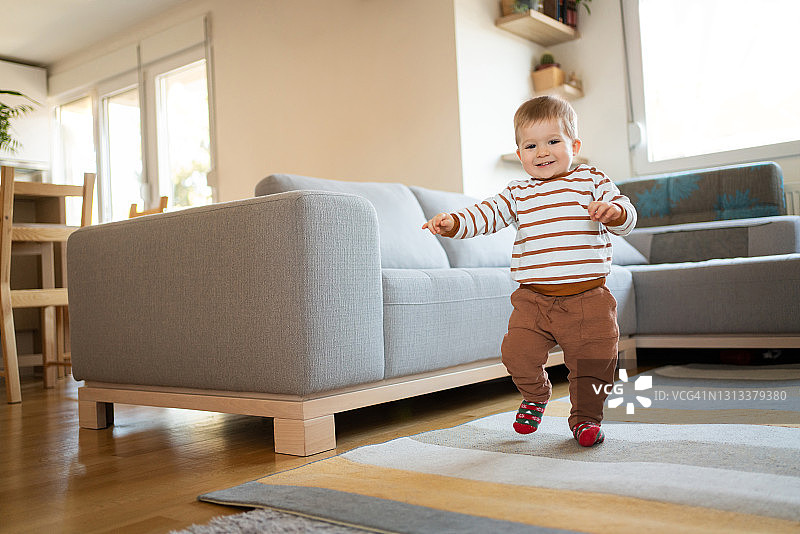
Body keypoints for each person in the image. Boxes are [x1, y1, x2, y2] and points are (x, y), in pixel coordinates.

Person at [422, 96, 637, 447]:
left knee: (593, 364)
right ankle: (536, 396)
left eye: (553, 141)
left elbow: (626, 211)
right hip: (533, 300)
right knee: (516, 353)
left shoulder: (591, 179)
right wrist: (452, 222)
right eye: (531, 145)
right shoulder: (517, 192)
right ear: (519, 153)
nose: (542, 152)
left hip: (588, 299)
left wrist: (614, 212)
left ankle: (586, 420)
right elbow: (486, 214)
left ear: (574, 146)